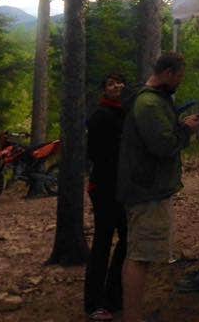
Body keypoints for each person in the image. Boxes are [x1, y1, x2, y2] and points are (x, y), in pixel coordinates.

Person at [118, 52, 199, 322]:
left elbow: (159, 136)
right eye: (178, 76)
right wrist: (186, 131)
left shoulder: (153, 102)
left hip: (147, 187)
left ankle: (134, 313)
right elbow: (163, 145)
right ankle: (133, 316)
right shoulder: (149, 104)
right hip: (147, 190)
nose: (179, 82)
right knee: (140, 256)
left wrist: (177, 126)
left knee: (141, 253)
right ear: (167, 73)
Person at [84, 73, 128, 321]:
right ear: (104, 89)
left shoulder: (122, 112)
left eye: (119, 82)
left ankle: (113, 294)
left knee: (126, 236)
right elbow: (95, 153)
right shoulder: (101, 116)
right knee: (102, 242)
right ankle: (93, 303)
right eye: (111, 83)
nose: (116, 86)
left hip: (118, 188)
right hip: (103, 188)